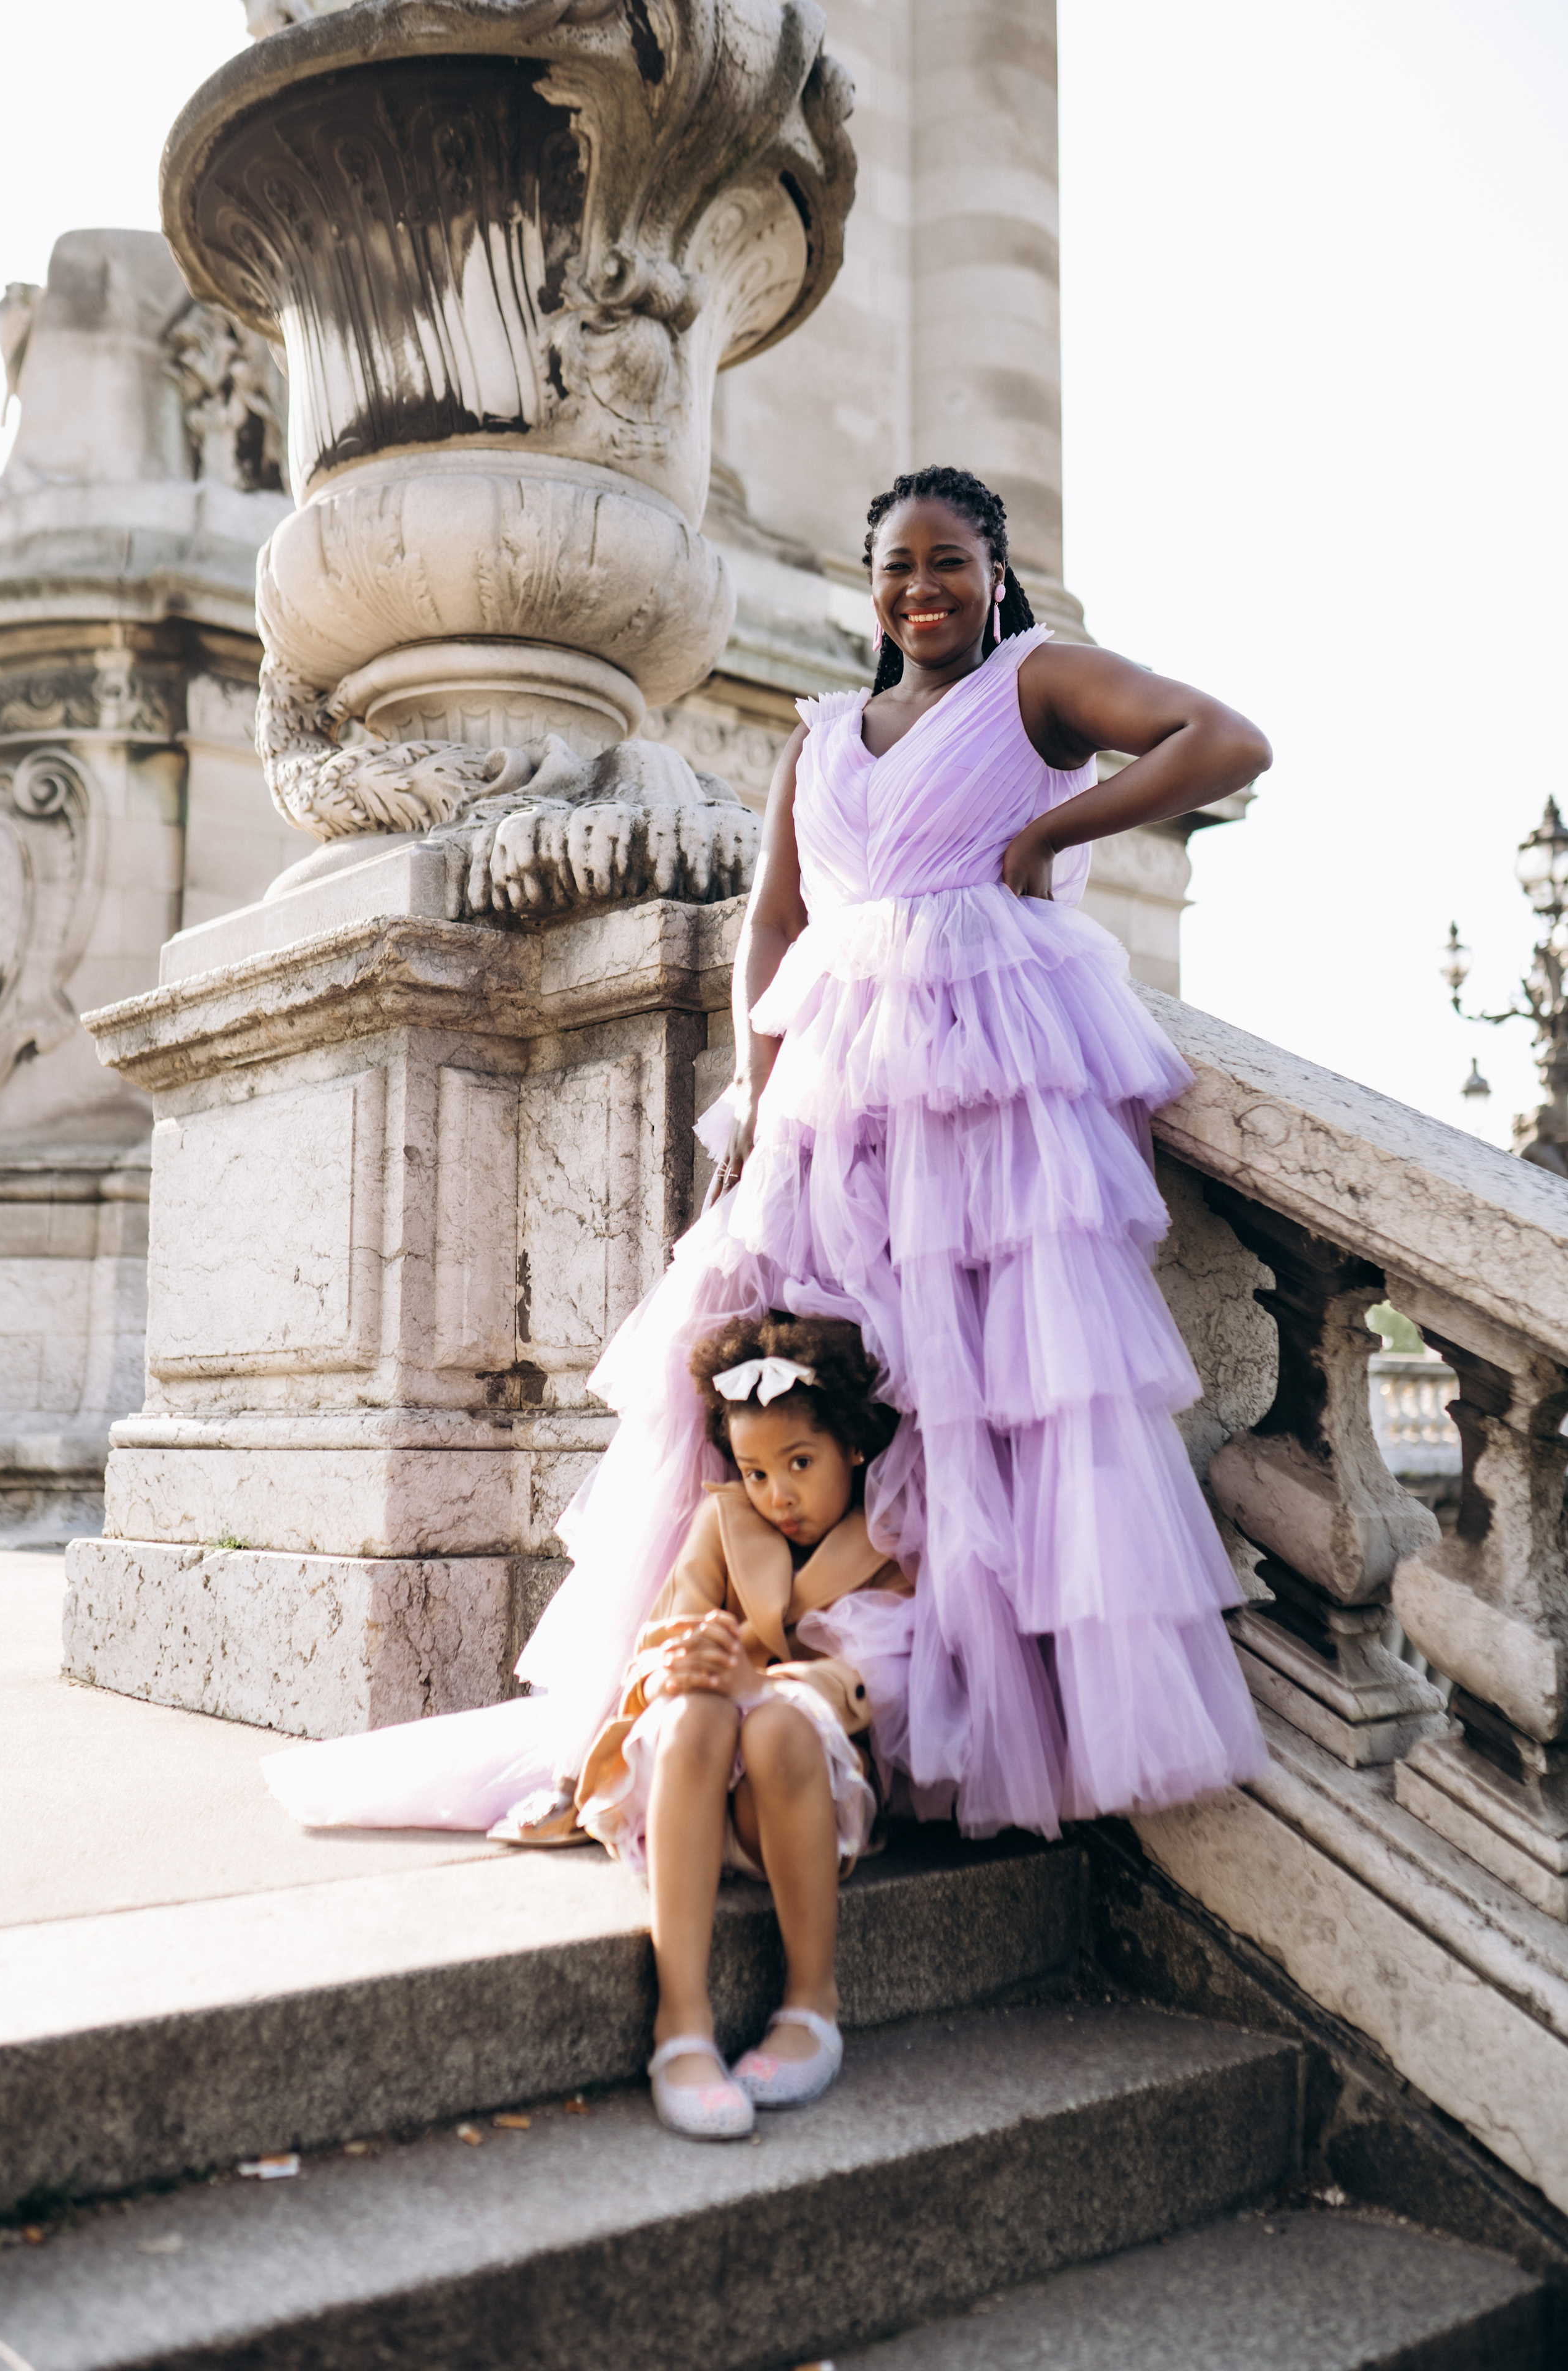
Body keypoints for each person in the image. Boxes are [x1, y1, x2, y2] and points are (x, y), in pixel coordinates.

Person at [264, 462, 1272, 2086]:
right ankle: (723, 1702)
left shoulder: (1037, 683)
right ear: (869, 585)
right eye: (895, 568)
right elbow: (772, 924)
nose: (920, 590)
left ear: (994, 575)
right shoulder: (818, 734)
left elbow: (1225, 742)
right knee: (797, 1383)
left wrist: (1047, 834)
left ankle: (950, 1736)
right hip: (825, 1097)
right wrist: (748, 1096)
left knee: (992, 1391)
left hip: (983, 1070)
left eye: (948, 563)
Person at [575, 1313, 907, 2139]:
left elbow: (875, 1674)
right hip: (695, 1795)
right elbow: (663, 1637)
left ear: (854, 1450)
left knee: (778, 1726)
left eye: (800, 1464)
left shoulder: (891, 1539)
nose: (777, 1495)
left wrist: (762, 1683)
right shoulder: (724, 1521)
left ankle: (810, 2003)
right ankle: (680, 2025)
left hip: (792, 1806)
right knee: (693, 1713)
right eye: (756, 1471)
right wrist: (689, 1662)